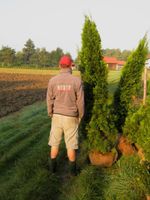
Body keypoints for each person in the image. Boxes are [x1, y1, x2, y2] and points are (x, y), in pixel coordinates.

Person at [46, 55, 84, 175]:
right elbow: (80, 101)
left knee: (54, 142)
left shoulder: (53, 81)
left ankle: (52, 169)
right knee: (71, 145)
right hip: (71, 117)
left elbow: (49, 99)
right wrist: (80, 116)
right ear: (70, 66)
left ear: (59, 66)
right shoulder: (77, 81)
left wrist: (50, 112)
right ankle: (73, 173)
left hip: (57, 116)